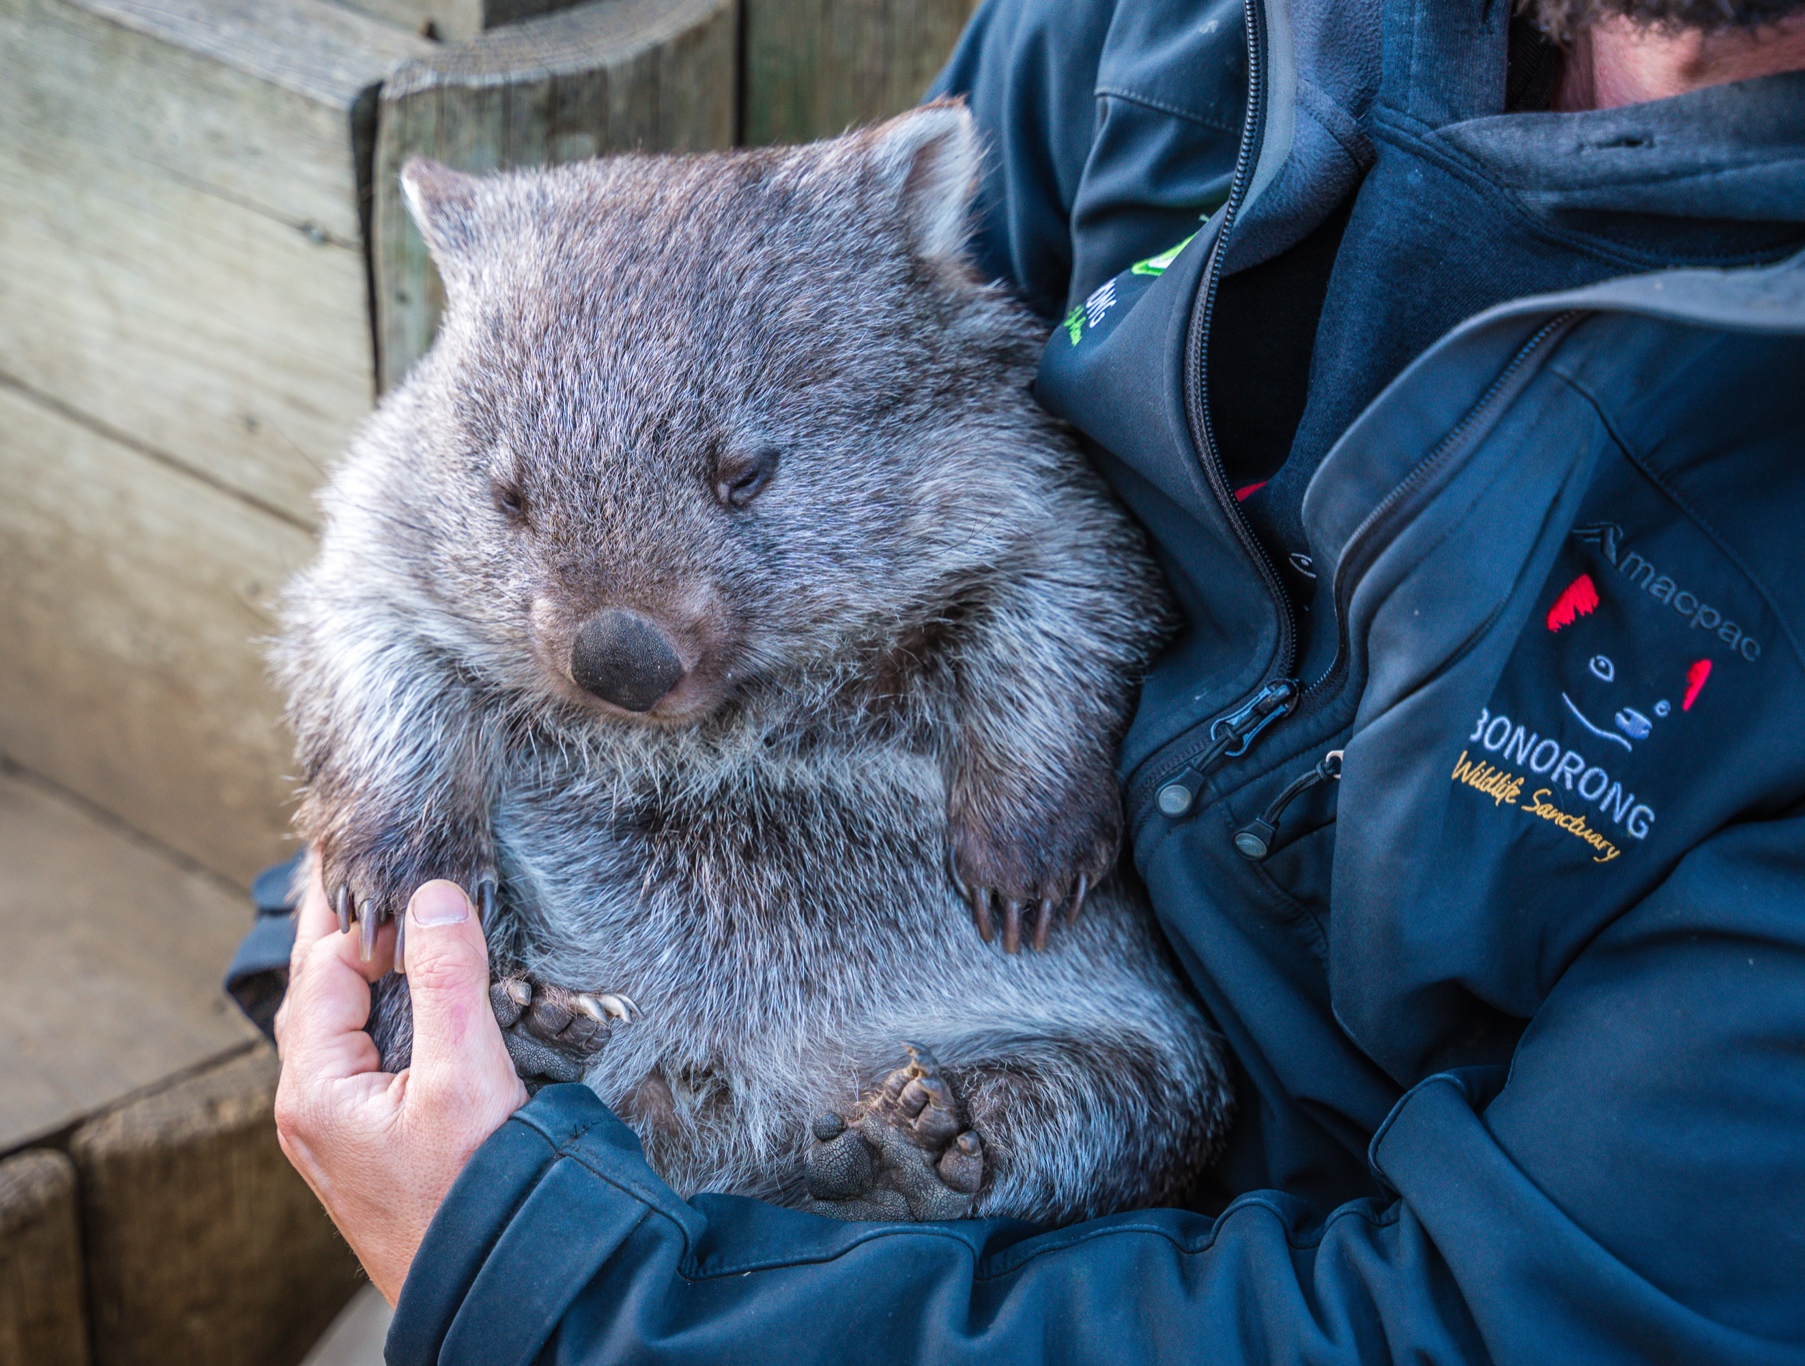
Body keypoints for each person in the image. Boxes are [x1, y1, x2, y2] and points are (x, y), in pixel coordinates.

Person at [268, 0, 1805, 1357]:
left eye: (743, 481)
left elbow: (1539, 1322)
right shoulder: (1175, 23)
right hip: (562, 1126)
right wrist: (377, 914)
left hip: (1128, 1242)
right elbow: (408, 571)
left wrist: (584, 1300)